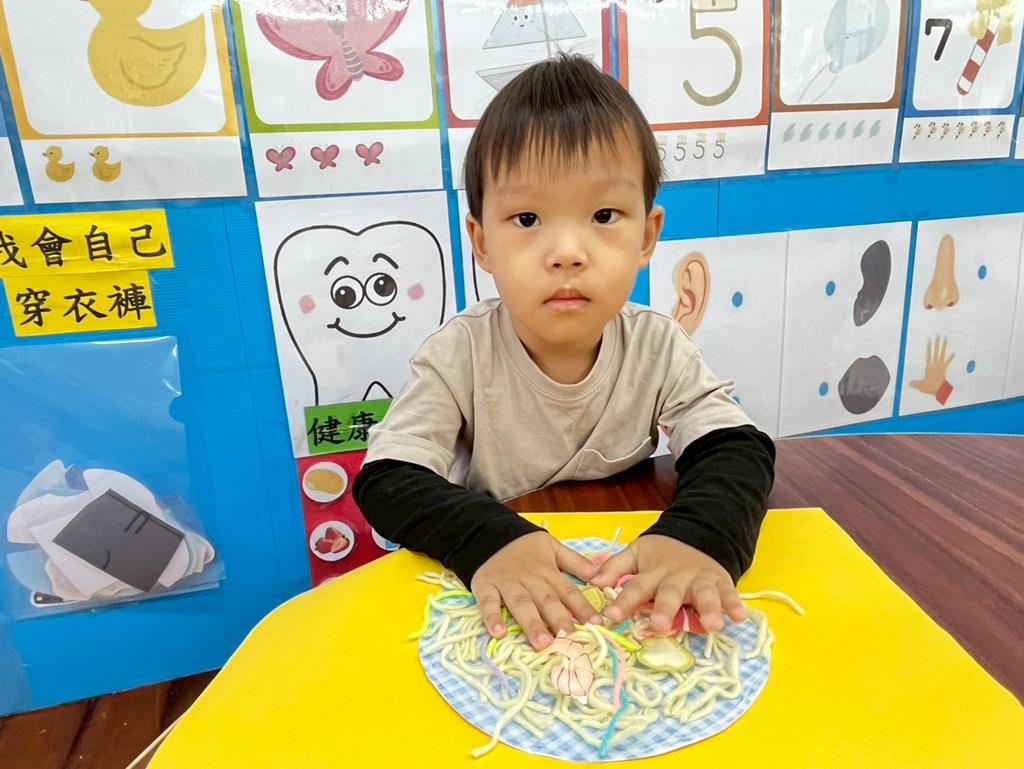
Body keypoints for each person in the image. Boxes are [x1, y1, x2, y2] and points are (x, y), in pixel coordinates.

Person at [353, 54, 775, 652]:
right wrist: (489, 541)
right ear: (482, 243)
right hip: (507, 585)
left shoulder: (657, 345)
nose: (567, 252)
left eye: (604, 215)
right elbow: (389, 479)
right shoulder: (459, 354)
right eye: (526, 218)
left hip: (624, 583)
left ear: (646, 236)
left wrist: (699, 537)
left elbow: (735, 448)